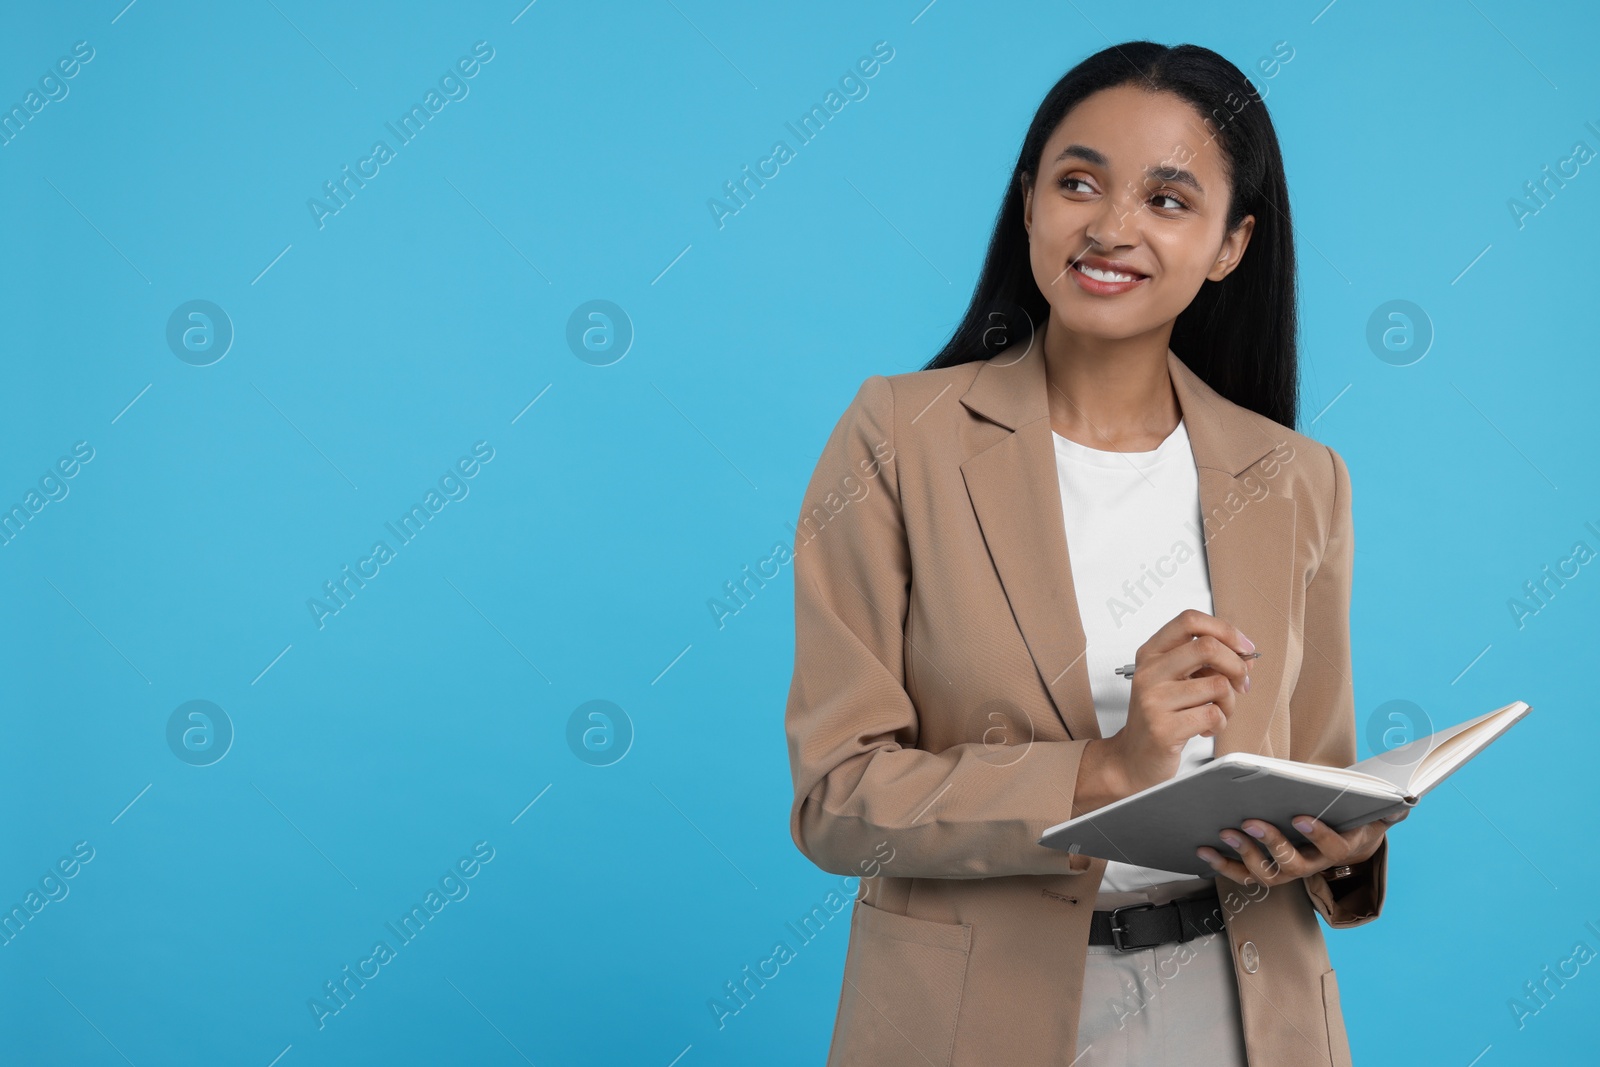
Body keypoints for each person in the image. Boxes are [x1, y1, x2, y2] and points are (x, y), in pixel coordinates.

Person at [783, 41, 1406, 1067]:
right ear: (1029, 200)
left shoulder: (1298, 478)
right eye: (1079, 182)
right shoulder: (897, 438)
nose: (1110, 227)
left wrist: (1349, 836)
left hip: (1245, 1009)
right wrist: (1103, 770)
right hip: (974, 1015)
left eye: (1168, 200)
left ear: (1230, 243)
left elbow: (1316, 769)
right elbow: (837, 800)